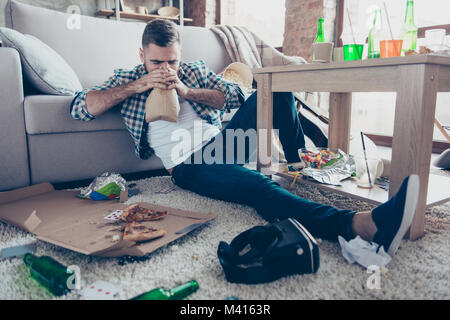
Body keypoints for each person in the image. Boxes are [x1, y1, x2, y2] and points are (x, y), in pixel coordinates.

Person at [71, 20, 419, 257]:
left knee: (277, 89)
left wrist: (187, 89)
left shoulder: (190, 71)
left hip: (225, 144)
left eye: (171, 61)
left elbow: (233, 97)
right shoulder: (129, 77)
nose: (165, 68)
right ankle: (361, 226)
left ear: (180, 55)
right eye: (156, 62)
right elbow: (81, 106)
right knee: (259, 188)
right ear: (142, 56)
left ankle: (302, 167)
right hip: (190, 165)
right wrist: (141, 84)